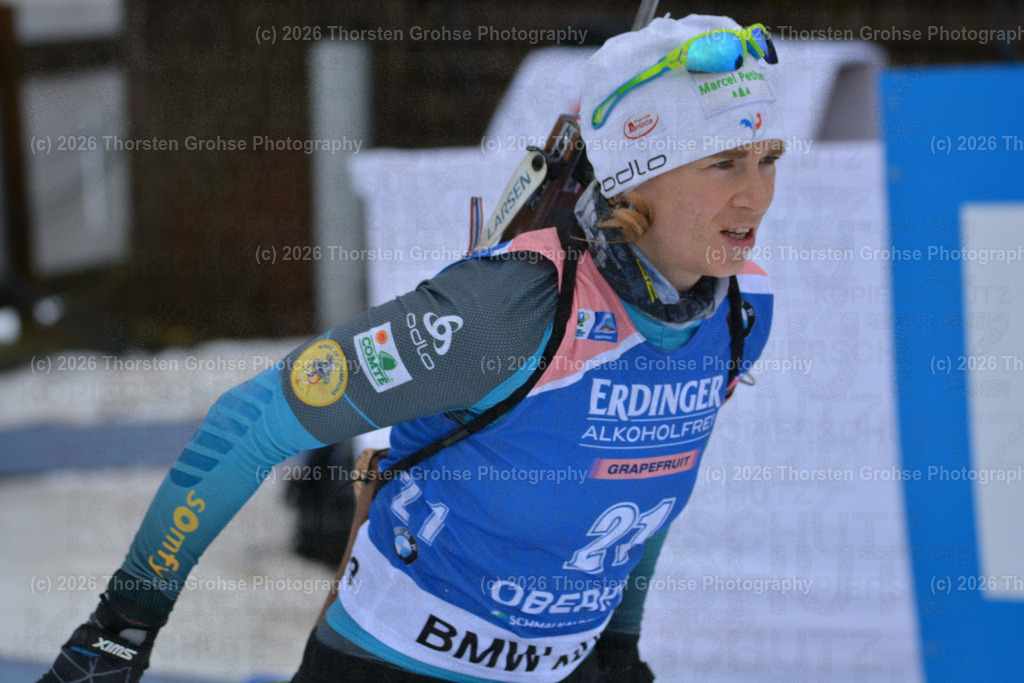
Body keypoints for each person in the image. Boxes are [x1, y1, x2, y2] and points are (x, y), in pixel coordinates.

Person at [40, 14, 784, 683]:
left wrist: (618, 647)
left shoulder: (741, 311)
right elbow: (248, 420)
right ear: (635, 175)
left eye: (767, 157)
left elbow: (641, 492)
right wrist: (120, 628)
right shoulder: (505, 315)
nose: (755, 196)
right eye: (724, 163)